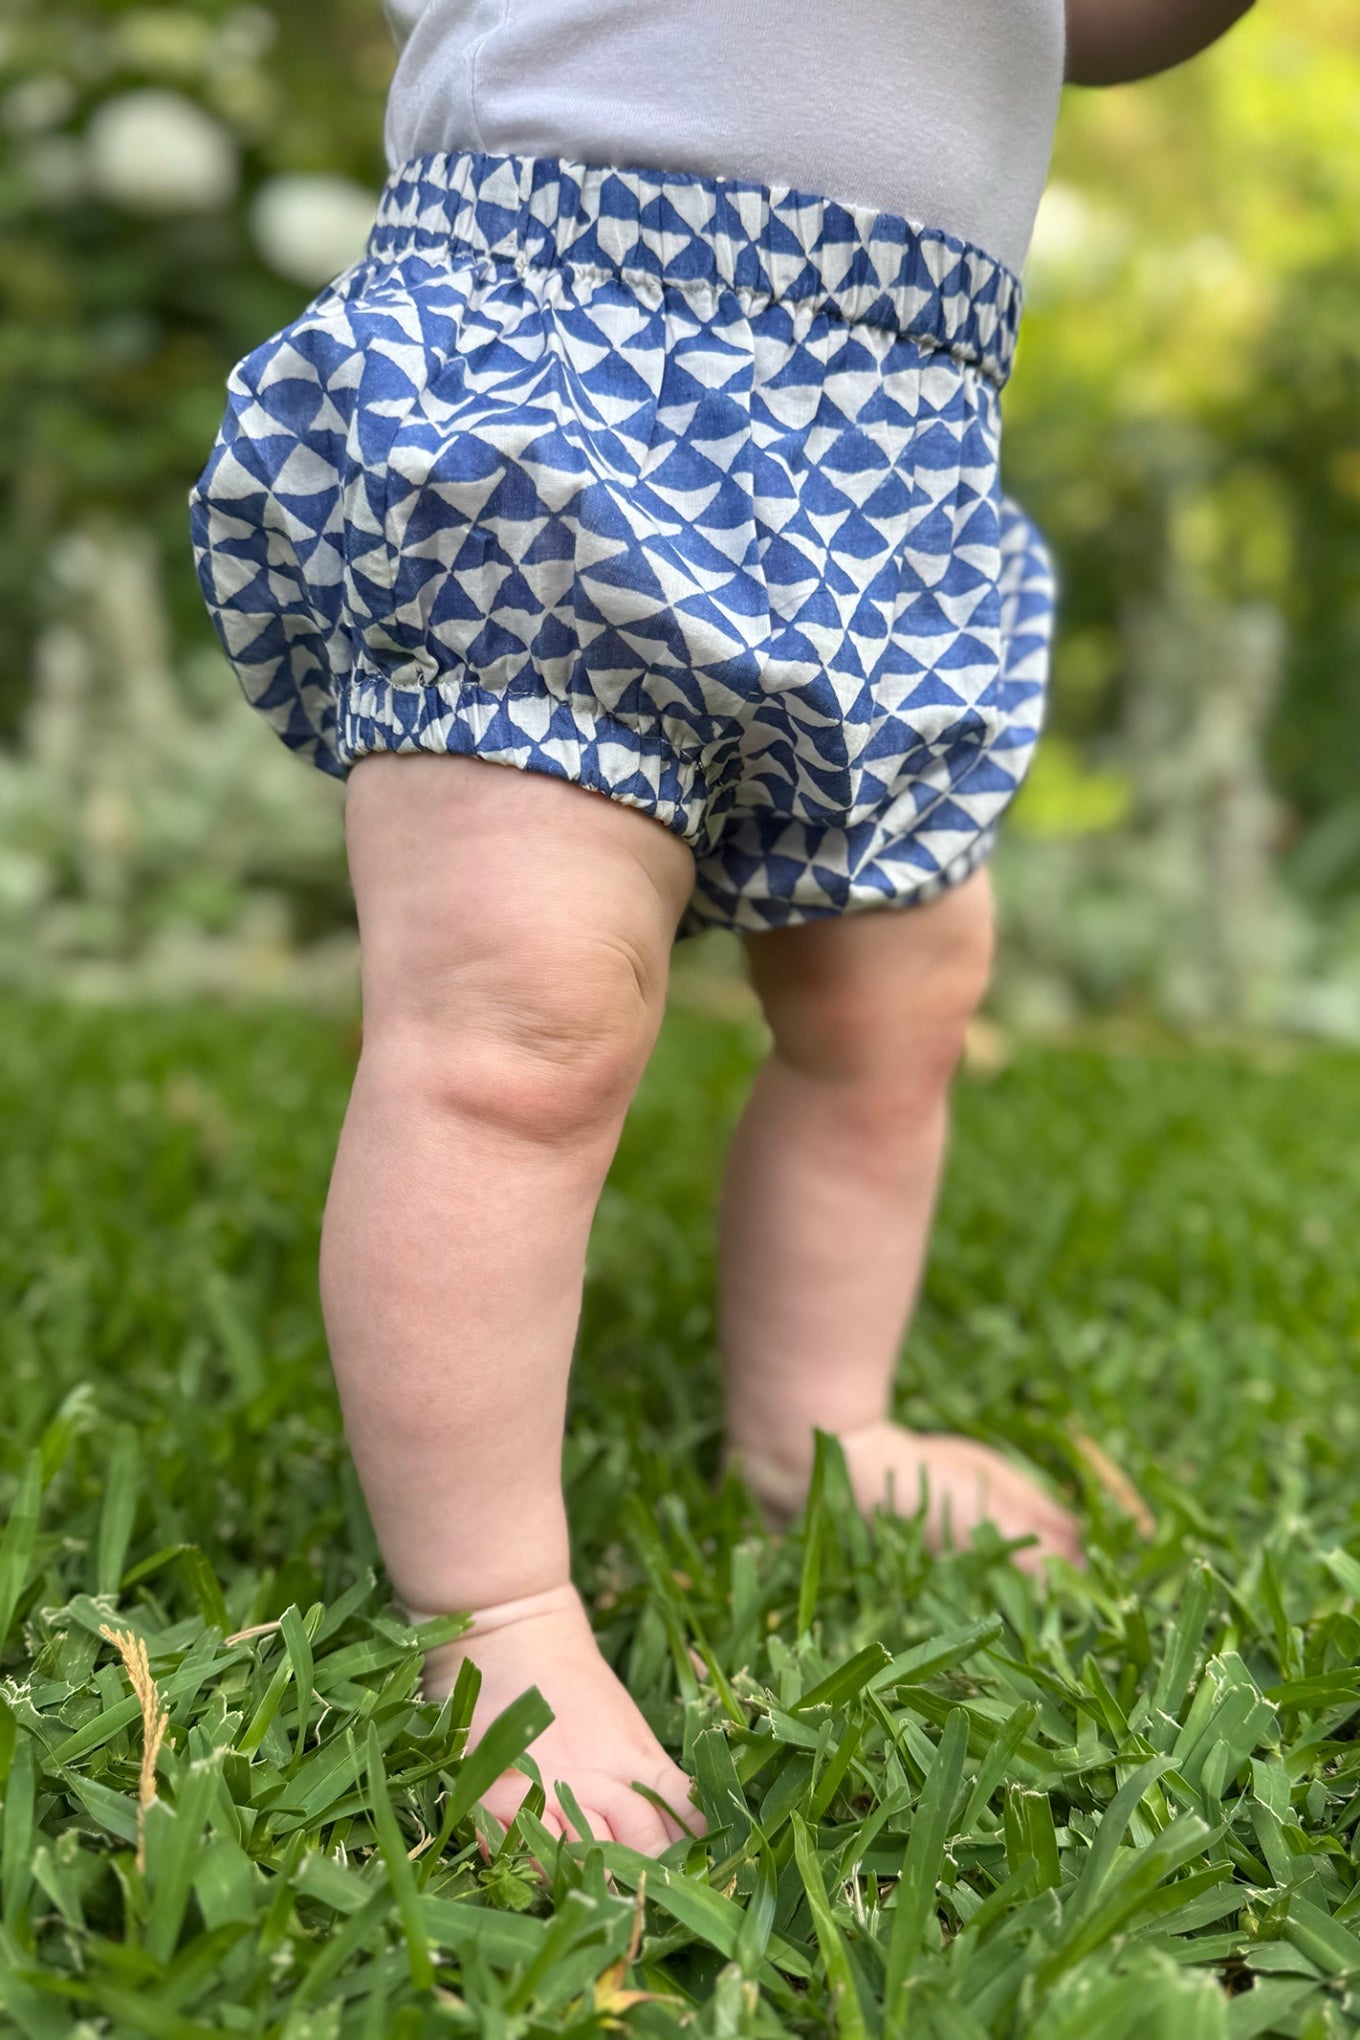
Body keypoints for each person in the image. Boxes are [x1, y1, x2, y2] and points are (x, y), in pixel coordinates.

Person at [190, 0, 1258, 1854]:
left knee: (899, 996)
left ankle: (816, 1430)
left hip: (895, 428)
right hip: (553, 361)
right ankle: (490, 1611)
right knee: (520, 1030)